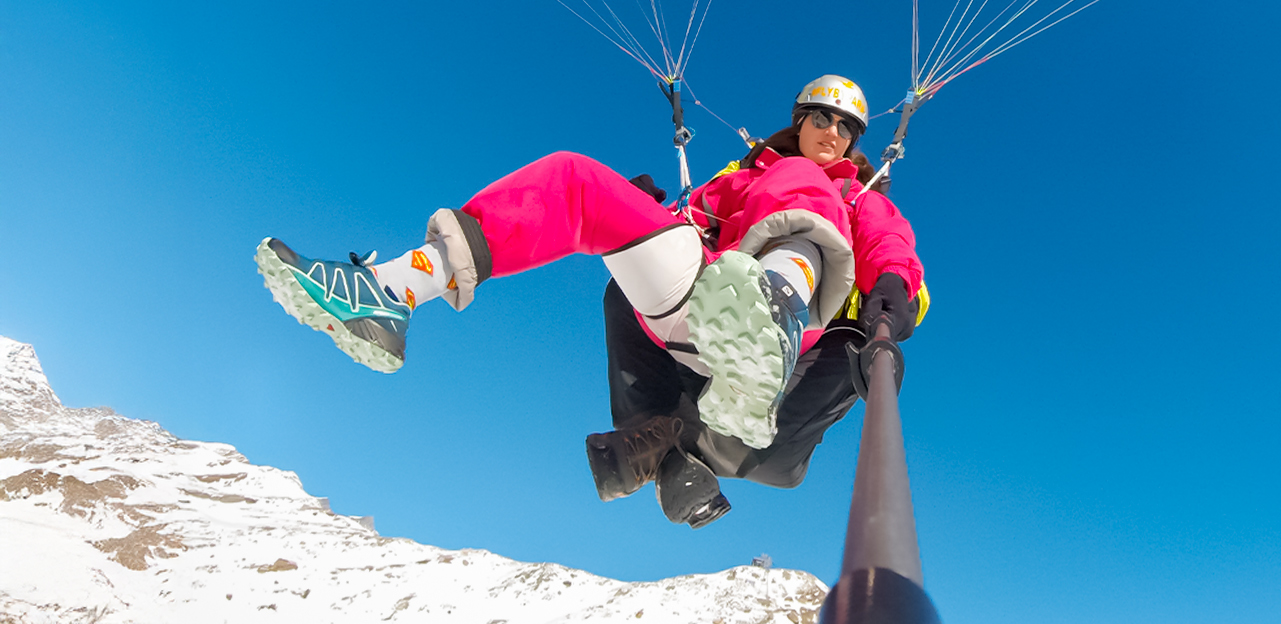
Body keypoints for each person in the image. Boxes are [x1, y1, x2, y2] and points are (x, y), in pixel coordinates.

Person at [255, 74, 925, 528]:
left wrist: (892, 295)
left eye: (847, 126)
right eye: (821, 117)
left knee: (803, 186)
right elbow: (689, 224)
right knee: (577, 180)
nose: (832, 132)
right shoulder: (739, 175)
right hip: (698, 304)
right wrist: (645, 213)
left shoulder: (861, 199)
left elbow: (893, 254)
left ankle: (768, 314)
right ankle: (391, 291)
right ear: (800, 119)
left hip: (787, 329)